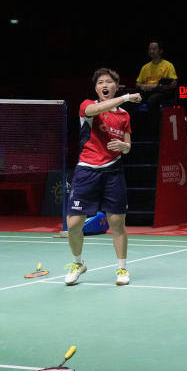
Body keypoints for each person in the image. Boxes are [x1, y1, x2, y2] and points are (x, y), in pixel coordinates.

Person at [65, 68, 141, 286]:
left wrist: (124, 146)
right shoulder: (88, 106)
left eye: (109, 82)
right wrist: (126, 97)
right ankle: (78, 263)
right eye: (100, 83)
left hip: (112, 172)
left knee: (116, 223)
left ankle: (122, 269)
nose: (104, 85)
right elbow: (96, 109)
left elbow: (128, 147)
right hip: (86, 170)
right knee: (74, 224)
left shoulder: (124, 116)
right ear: (96, 88)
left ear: (116, 86)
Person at [135, 41, 178, 132]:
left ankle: (154, 131)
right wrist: (144, 86)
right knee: (132, 100)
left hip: (161, 93)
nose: (151, 51)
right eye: (150, 49)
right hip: (147, 92)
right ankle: (135, 130)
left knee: (152, 100)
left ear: (160, 51)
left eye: (154, 49)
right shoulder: (145, 67)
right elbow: (137, 83)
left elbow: (173, 83)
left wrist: (157, 86)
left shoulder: (168, 65)